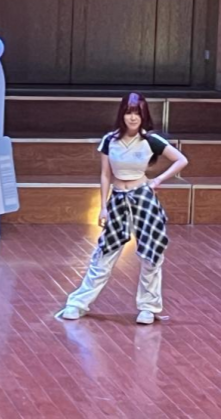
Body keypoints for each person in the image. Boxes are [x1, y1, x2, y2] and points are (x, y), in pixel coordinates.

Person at [60, 92, 188, 324]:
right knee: (104, 253)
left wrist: (158, 180)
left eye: (137, 113)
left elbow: (181, 160)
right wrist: (103, 207)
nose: (133, 117)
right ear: (122, 114)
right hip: (118, 199)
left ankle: (148, 307)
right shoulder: (110, 140)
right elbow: (105, 175)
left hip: (143, 199)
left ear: (144, 116)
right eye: (129, 113)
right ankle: (78, 303)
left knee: (151, 254)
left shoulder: (150, 140)